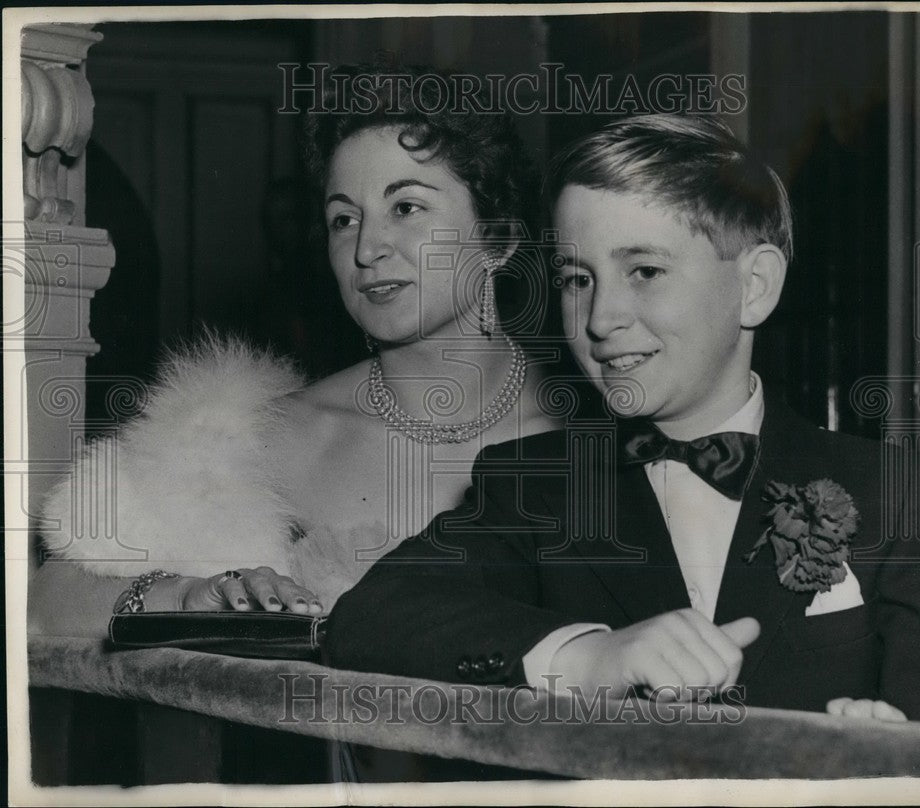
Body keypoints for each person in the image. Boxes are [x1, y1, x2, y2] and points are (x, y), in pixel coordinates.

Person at [327, 113, 920, 727]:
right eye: (577, 279)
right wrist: (587, 657)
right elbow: (369, 617)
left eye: (644, 271)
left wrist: (893, 767)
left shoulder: (895, 491)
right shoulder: (534, 486)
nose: (600, 318)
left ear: (754, 286)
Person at [28, 64, 563, 637]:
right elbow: (46, 603)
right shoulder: (263, 438)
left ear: (500, 236)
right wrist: (188, 595)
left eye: (405, 208)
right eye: (343, 219)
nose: (366, 249)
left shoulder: (590, 427)